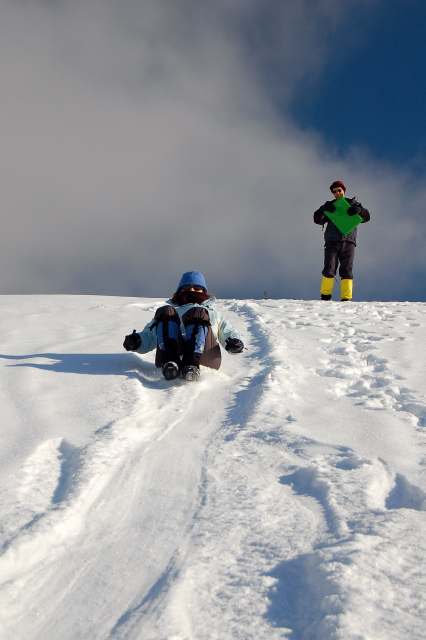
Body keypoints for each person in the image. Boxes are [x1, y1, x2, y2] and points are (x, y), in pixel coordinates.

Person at [123, 271, 244, 381]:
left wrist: (235, 342)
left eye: (196, 287)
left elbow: (228, 332)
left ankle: (192, 363)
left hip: (204, 355)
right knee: (165, 311)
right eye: (187, 287)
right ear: (180, 291)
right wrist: (137, 341)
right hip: (171, 353)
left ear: (204, 291)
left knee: (198, 312)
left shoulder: (212, 313)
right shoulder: (169, 313)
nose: (191, 290)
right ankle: (171, 362)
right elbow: (150, 336)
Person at [313, 180, 370, 301]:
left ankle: (346, 298)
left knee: (347, 270)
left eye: (339, 190)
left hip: (349, 241)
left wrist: (359, 211)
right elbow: (317, 219)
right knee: (329, 268)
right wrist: (323, 209)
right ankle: (325, 296)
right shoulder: (330, 206)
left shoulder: (353, 203)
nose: (337, 193)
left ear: (344, 190)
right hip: (332, 241)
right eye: (335, 191)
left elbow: (366, 217)